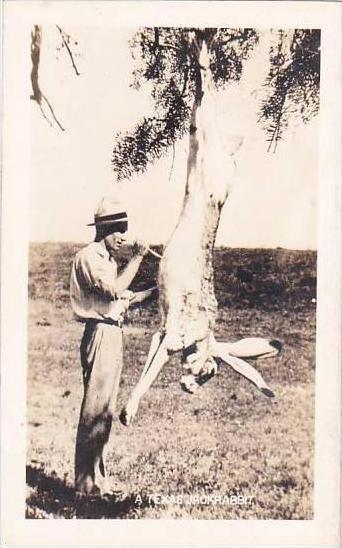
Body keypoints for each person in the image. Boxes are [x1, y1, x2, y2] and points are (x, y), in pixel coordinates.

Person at [70, 197, 149, 496]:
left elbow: (125, 298)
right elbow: (114, 291)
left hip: (112, 333)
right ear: (104, 229)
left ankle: (97, 483)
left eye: (124, 229)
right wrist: (139, 258)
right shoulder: (90, 257)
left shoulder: (108, 261)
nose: (122, 237)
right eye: (118, 230)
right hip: (101, 333)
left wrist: (162, 289)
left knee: (105, 411)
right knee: (95, 410)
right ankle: (86, 487)